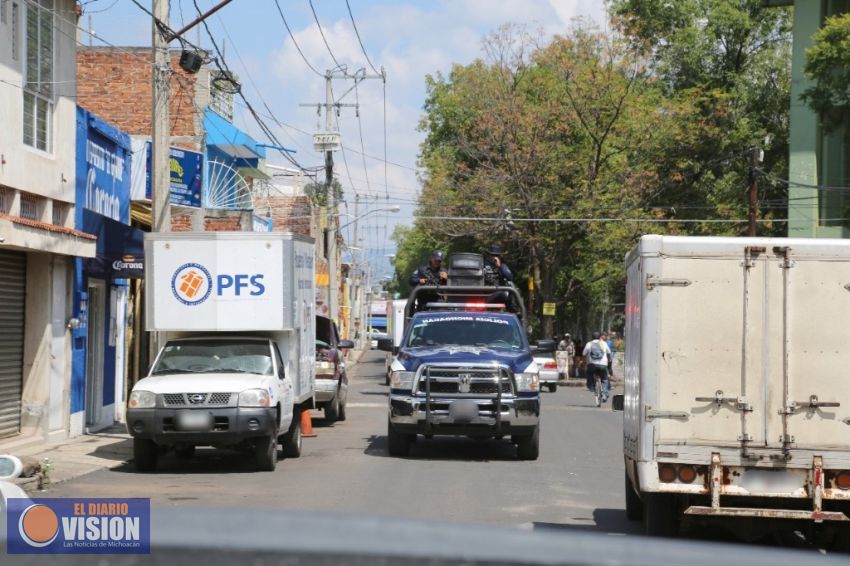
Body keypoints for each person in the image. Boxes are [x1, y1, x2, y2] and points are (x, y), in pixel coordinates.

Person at [583, 331, 612, 402]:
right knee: (604, 379)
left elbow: (584, 354)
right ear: (600, 337)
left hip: (592, 364)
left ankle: (591, 387)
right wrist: (609, 360)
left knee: (589, 373)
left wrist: (586, 361)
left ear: (592, 337)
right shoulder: (604, 343)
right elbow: (609, 353)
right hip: (603, 364)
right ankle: (604, 394)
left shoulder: (589, 344)